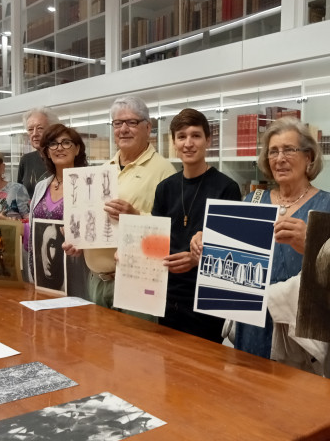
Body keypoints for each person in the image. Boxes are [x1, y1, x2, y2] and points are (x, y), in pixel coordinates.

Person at [192, 117, 330, 360]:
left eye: (289, 150)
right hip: (251, 326)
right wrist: (208, 245)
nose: (280, 158)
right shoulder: (252, 200)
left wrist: (311, 245)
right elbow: (230, 269)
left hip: (298, 334)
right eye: (273, 151)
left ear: (309, 157)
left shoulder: (329, 205)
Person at [64, 96, 176, 315]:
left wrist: (134, 216)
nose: (124, 129)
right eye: (117, 123)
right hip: (97, 282)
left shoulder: (165, 172)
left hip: (138, 281)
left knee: (134, 348)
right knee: (99, 348)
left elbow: (172, 231)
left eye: (132, 122)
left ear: (148, 127)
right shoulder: (103, 170)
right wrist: (79, 241)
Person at [151, 108, 242, 343]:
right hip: (167, 296)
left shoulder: (227, 188)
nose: (188, 143)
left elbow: (232, 251)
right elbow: (154, 239)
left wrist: (196, 257)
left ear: (208, 140)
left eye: (196, 135)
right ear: (173, 142)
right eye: (181, 136)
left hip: (206, 300)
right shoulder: (165, 188)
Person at [28, 123, 88, 284]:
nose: (59, 148)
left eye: (66, 142)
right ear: (47, 152)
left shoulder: (88, 185)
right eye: (53, 144)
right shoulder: (41, 186)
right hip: (41, 272)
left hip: (75, 269)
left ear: (77, 149)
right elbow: (33, 229)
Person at [18, 106, 59, 197]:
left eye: (40, 128)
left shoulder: (62, 158)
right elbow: (20, 196)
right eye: (30, 129)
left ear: (52, 129)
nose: (35, 134)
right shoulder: (26, 160)